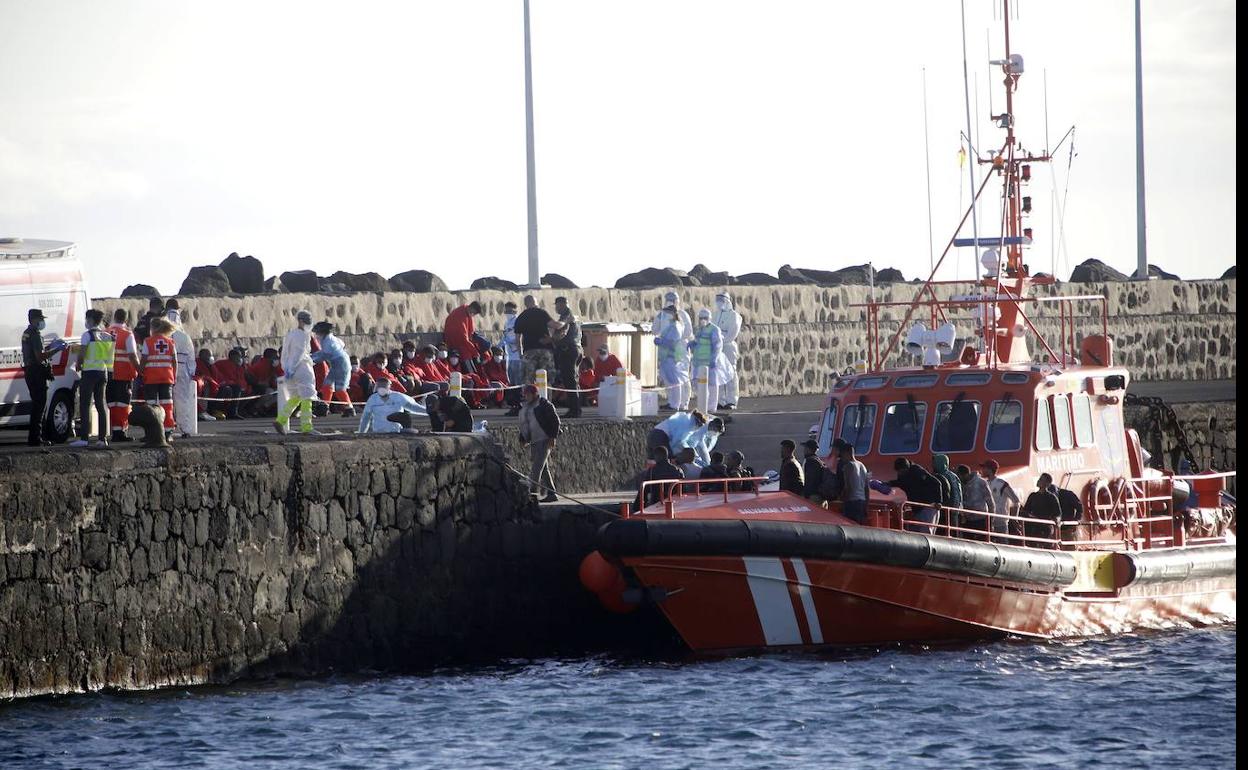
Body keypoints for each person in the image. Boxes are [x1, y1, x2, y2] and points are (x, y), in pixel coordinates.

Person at [69, 309, 114, 447]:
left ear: (90, 320)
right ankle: (102, 439)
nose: (85, 322)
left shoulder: (87, 335)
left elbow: (82, 353)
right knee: (101, 405)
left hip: (89, 372)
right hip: (103, 372)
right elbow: (110, 357)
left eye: (86, 319)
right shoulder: (107, 336)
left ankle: (84, 438)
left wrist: (78, 364)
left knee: (85, 404)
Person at [274, 310, 317, 435]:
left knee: (296, 397)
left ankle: (281, 420)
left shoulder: (290, 334)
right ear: (301, 321)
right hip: (301, 368)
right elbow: (298, 353)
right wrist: (292, 368)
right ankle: (306, 427)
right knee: (307, 397)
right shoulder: (303, 335)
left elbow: (285, 353)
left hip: (289, 370)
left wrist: (286, 368)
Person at [517, 383, 560, 502]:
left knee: (536, 468)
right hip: (535, 441)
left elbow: (555, 421)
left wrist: (553, 437)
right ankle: (552, 493)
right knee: (543, 469)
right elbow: (525, 425)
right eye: (525, 395)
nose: (526, 397)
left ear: (535, 394)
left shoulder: (545, 405)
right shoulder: (526, 408)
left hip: (545, 440)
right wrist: (523, 438)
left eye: (528, 394)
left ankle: (533, 494)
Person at [21, 308, 56, 446]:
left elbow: (37, 351)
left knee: (37, 404)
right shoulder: (34, 334)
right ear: (34, 320)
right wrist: (57, 349)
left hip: (30, 371)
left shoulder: (26, 333)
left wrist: (49, 348)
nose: (42, 322)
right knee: (40, 405)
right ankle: (35, 438)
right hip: (37, 372)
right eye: (41, 319)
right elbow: (40, 356)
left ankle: (35, 437)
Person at [512, 296, 555, 409]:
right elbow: (553, 325)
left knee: (528, 379)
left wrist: (520, 353)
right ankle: (547, 403)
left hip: (529, 350)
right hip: (545, 350)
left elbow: (518, 338)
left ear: (526, 304)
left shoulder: (521, 317)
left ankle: (529, 404)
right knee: (546, 378)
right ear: (535, 303)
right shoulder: (542, 313)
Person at [105, 309, 141, 443]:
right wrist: (140, 369)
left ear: (114, 317)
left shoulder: (106, 331)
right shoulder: (127, 334)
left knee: (112, 403)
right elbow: (132, 355)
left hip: (108, 373)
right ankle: (120, 431)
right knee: (123, 404)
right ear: (126, 320)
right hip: (124, 373)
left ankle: (115, 431)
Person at [141, 317, 178, 440]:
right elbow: (175, 362)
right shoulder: (170, 342)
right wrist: (174, 377)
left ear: (152, 328)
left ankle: (151, 433)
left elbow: (144, 359)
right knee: (167, 405)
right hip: (167, 378)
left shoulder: (148, 341)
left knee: (151, 407)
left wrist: (140, 371)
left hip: (151, 378)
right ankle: (167, 432)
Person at [164, 305, 197, 438]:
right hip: (182, 370)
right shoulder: (185, 337)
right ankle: (185, 429)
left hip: (166, 369)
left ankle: (167, 428)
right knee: (182, 401)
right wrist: (191, 373)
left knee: (166, 400)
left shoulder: (163, 336)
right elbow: (191, 357)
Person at [888, 458, 943, 533]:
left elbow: (936, 483)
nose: (900, 473)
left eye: (901, 471)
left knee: (926, 531)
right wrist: (888, 484)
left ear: (905, 468)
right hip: (917, 508)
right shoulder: (903, 475)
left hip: (927, 506)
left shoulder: (917, 471)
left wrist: (938, 501)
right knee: (919, 531)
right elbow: (901, 483)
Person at [310, 321, 354, 416]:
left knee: (340, 389)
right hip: (335, 364)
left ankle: (349, 408)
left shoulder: (328, 341)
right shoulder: (330, 339)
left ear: (322, 332)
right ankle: (325, 406)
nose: (316, 335)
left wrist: (312, 359)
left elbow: (325, 354)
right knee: (327, 385)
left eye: (317, 332)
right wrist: (313, 356)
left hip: (341, 364)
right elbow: (342, 345)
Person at [549, 296, 583, 418]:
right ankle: (576, 407)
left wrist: (550, 339)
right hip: (576, 349)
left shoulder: (566, 317)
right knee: (574, 380)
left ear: (561, 304)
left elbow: (561, 334)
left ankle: (574, 410)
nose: (556, 308)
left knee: (570, 381)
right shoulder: (574, 317)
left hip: (568, 350)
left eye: (557, 305)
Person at [356, 377, 427, 433]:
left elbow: (413, 407)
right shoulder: (372, 399)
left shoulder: (398, 397)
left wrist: (428, 412)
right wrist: (361, 432)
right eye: (380, 386)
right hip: (378, 433)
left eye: (384, 386)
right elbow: (366, 417)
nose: (381, 389)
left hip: (396, 432)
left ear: (389, 387)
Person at [687, 307, 723, 413]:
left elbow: (718, 345)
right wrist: (692, 344)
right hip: (699, 362)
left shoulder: (714, 329)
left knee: (712, 385)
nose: (703, 320)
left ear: (709, 318)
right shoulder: (699, 329)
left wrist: (714, 358)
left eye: (705, 318)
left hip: (710, 362)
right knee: (700, 386)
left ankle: (711, 407)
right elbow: (697, 341)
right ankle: (703, 406)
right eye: (701, 318)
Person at [654, 305, 690, 411]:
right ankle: (671, 402)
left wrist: (661, 342)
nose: (665, 315)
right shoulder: (671, 325)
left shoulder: (676, 326)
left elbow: (673, 342)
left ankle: (675, 404)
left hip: (671, 356)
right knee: (668, 380)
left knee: (674, 381)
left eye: (667, 313)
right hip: (666, 356)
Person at [712, 292, 742, 410]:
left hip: (728, 347)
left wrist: (721, 340)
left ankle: (732, 400)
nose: (719, 302)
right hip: (717, 347)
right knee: (719, 373)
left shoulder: (734, 316)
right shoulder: (715, 314)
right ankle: (720, 400)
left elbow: (732, 333)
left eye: (721, 300)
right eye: (717, 300)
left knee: (730, 373)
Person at [635, 445, 686, 511]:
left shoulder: (652, 471)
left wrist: (637, 507)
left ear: (658, 456)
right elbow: (684, 489)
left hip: (657, 503)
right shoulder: (678, 470)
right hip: (675, 504)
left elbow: (644, 490)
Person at [1020, 473, 1063, 547]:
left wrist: (1056, 520)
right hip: (1034, 524)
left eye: (1041, 480)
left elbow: (1058, 513)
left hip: (1045, 525)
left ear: (1047, 484)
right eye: (1039, 479)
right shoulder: (1033, 496)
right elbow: (1026, 510)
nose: (1038, 481)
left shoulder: (1051, 497)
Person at [956, 463, 996, 540]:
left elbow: (990, 502)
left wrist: (990, 521)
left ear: (965, 474)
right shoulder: (962, 485)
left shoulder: (981, 482)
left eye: (960, 476)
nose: (959, 478)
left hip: (981, 519)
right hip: (968, 520)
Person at [981, 460, 1019, 537]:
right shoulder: (983, 484)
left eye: (984, 468)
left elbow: (1016, 501)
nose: (982, 470)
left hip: (1001, 522)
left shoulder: (1001, 484)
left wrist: (1014, 518)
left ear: (990, 469)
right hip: (987, 521)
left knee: (1003, 543)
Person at [443, 301, 484, 373]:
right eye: (473, 312)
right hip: (456, 343)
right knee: (469, 361)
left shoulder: (466, 312)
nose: (473, 315)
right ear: (471, 308)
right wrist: (475, 351)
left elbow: (471, 332)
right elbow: (463, 338)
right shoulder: (460, 315)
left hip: (462, 343)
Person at [836, 439, 870, 524]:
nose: (842, 458)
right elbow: (867, 488)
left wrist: (843, 501)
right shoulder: (862, 465)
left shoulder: (848, 466)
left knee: (850, 527)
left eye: (842, 455)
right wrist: (866, 505)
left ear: (846, 453)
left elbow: (848, 487)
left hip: (852, 503)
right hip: (862, 502)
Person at [211, 347, 249, 419]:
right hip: (221, 385)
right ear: (232, 357)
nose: (240, 359)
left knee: (244, 390)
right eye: (239, 356)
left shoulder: (239, 367)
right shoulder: (223, 364)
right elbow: (221, 377)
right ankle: (231, 412)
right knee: (235, 389)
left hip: (232, 385)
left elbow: (241, 379)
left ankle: (236, 411)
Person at [501, 301, 524, 409]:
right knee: (511, 382)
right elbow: (504, 337)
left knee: (518, 382)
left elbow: (520, 338)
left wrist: (510, 341)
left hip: (518, 356)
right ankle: (513, 405)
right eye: (506, 310)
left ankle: (518, 404)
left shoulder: (518, 321)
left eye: (510, 310)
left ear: (515, 311)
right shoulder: (506, 323)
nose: (507, 312)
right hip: (509, 356)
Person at [931, 454, 963, 529]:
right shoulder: (954, 476)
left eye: (934, 463)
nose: (932, 465)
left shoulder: (940, 476)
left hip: (945, 512)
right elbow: (959, 494)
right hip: (955, 511)